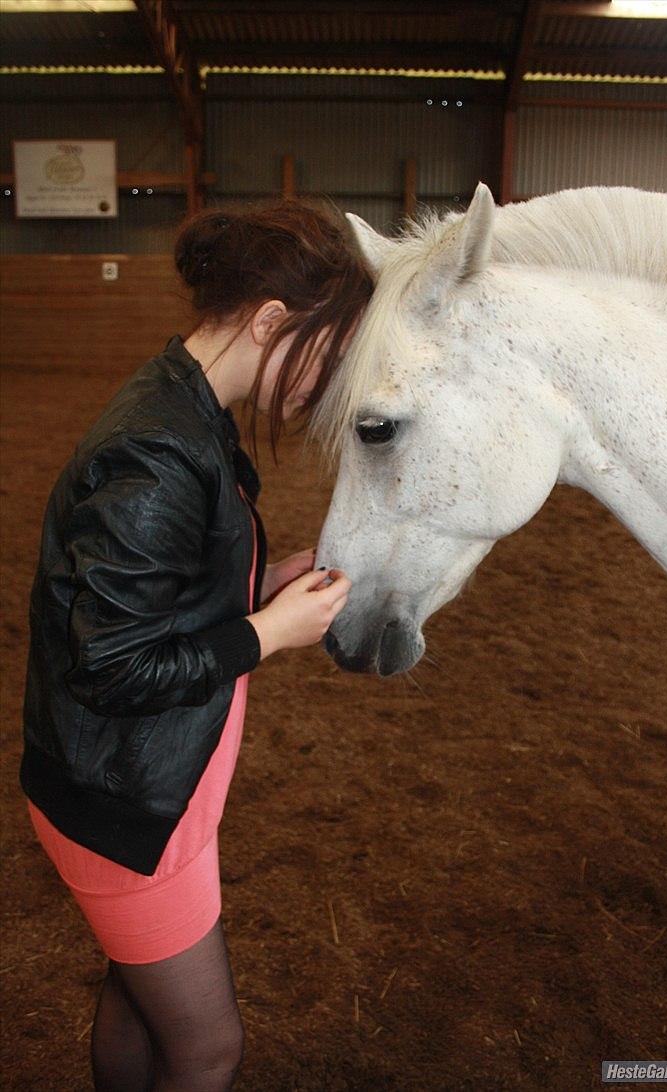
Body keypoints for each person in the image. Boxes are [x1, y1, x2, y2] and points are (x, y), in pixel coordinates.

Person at [19, 197, 373, 1092]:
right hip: (125, 804)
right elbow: (113, 664)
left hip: (150, 791)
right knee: (208, 1051)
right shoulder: (159, 447)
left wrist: (265, 581)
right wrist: (268, 633)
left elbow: (162, 592)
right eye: (327, 353)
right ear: (270, 322)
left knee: (139, 1003)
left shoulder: (189, 406)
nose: (328, 380)